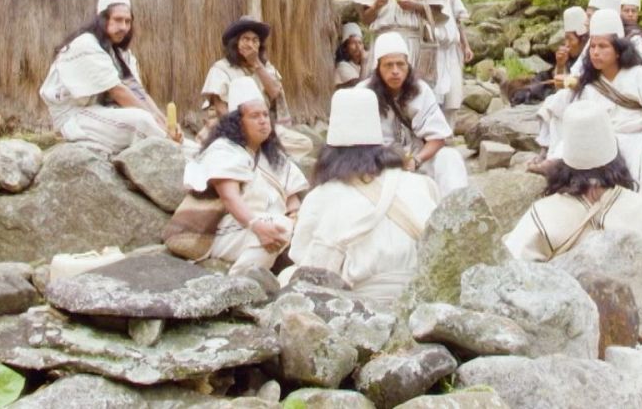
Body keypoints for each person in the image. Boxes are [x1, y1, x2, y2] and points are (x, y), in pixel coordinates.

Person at [505, 100, 642, 306]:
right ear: (614, 152)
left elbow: (511, 274)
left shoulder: (543, 213)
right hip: (638, 329)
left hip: (569, 329)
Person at [288, 88, 439, 306]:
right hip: (422, 299)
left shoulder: (322, 196)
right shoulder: (422, 184)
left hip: (362, 305)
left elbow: (303, 260)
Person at [182, 77, 309, 274]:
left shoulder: (274, 157)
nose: (263, 121)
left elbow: (292, 200)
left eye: (266, 115)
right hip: (230, 231)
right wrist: (256, 225)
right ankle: (241, 283)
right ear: (238, 122)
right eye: (255, 116)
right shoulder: (224, 149)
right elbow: (229, 196)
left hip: (268, 228)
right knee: (280, 226)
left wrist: (296, 218)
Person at [556, 9, 642, 205]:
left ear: (618, 50)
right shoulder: (590, 84)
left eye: (603, 46)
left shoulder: (639, 75)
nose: (596, 52)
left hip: (641, 142)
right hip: (604, 145)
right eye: (592, 47)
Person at [39, 0, 171, 153]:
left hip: (100, 113)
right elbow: (118, 91)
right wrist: (155, 121)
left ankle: (190, 152)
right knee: (142, 121)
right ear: (102, 19)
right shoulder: (86, 44)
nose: (123, 27)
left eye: (127, 21)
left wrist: (164, 121)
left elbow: (138, 92)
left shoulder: (121, 54)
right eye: (117, 19)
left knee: (155, 123)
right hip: (74, 117)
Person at [358, 32, 470, 196]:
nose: (395, 71)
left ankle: (456, 211)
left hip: (416, 160)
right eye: (388, 65)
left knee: (450, 157)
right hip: (377, 165)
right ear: (378, 67)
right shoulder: (361, 93)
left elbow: (437, 137)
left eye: (400, 64)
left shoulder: (421, 90)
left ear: (408, 65)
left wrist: (416, 161)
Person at [198, 17, 314, 162]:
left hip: (261, 125)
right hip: (230, 126)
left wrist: (256, 64)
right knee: (204, 147)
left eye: (255, 40)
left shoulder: (265, 67)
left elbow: (274, 93)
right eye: (245, 39)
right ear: (235, 43)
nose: (250, 44)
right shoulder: (220, 68)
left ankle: (262, 151)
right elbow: (221, 108)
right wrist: (244, 130)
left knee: (304, 144)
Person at [417, 0, 473, 116]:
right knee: (433, 94)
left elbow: (457, 18)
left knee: (453, 96)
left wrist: (466, 45)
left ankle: (450, 134)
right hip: (432, 49)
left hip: (451, 48)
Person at [535, 6, 590, 154]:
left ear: (582, 39)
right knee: (554, 101)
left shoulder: (592, 52)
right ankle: (546, 150)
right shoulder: (575, 58)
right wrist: (560, 65)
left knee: (555, 104)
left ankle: (550, 153)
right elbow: (561, 87)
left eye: (569, 39)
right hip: (575, 99)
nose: (566, 44)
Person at [334, 23, 366, 88]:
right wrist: (364, 62)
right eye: (353, 43)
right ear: (345, 48)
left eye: (360, 43)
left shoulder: (362, 65)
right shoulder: (342, 66)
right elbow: (361, 87)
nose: (358, 47)